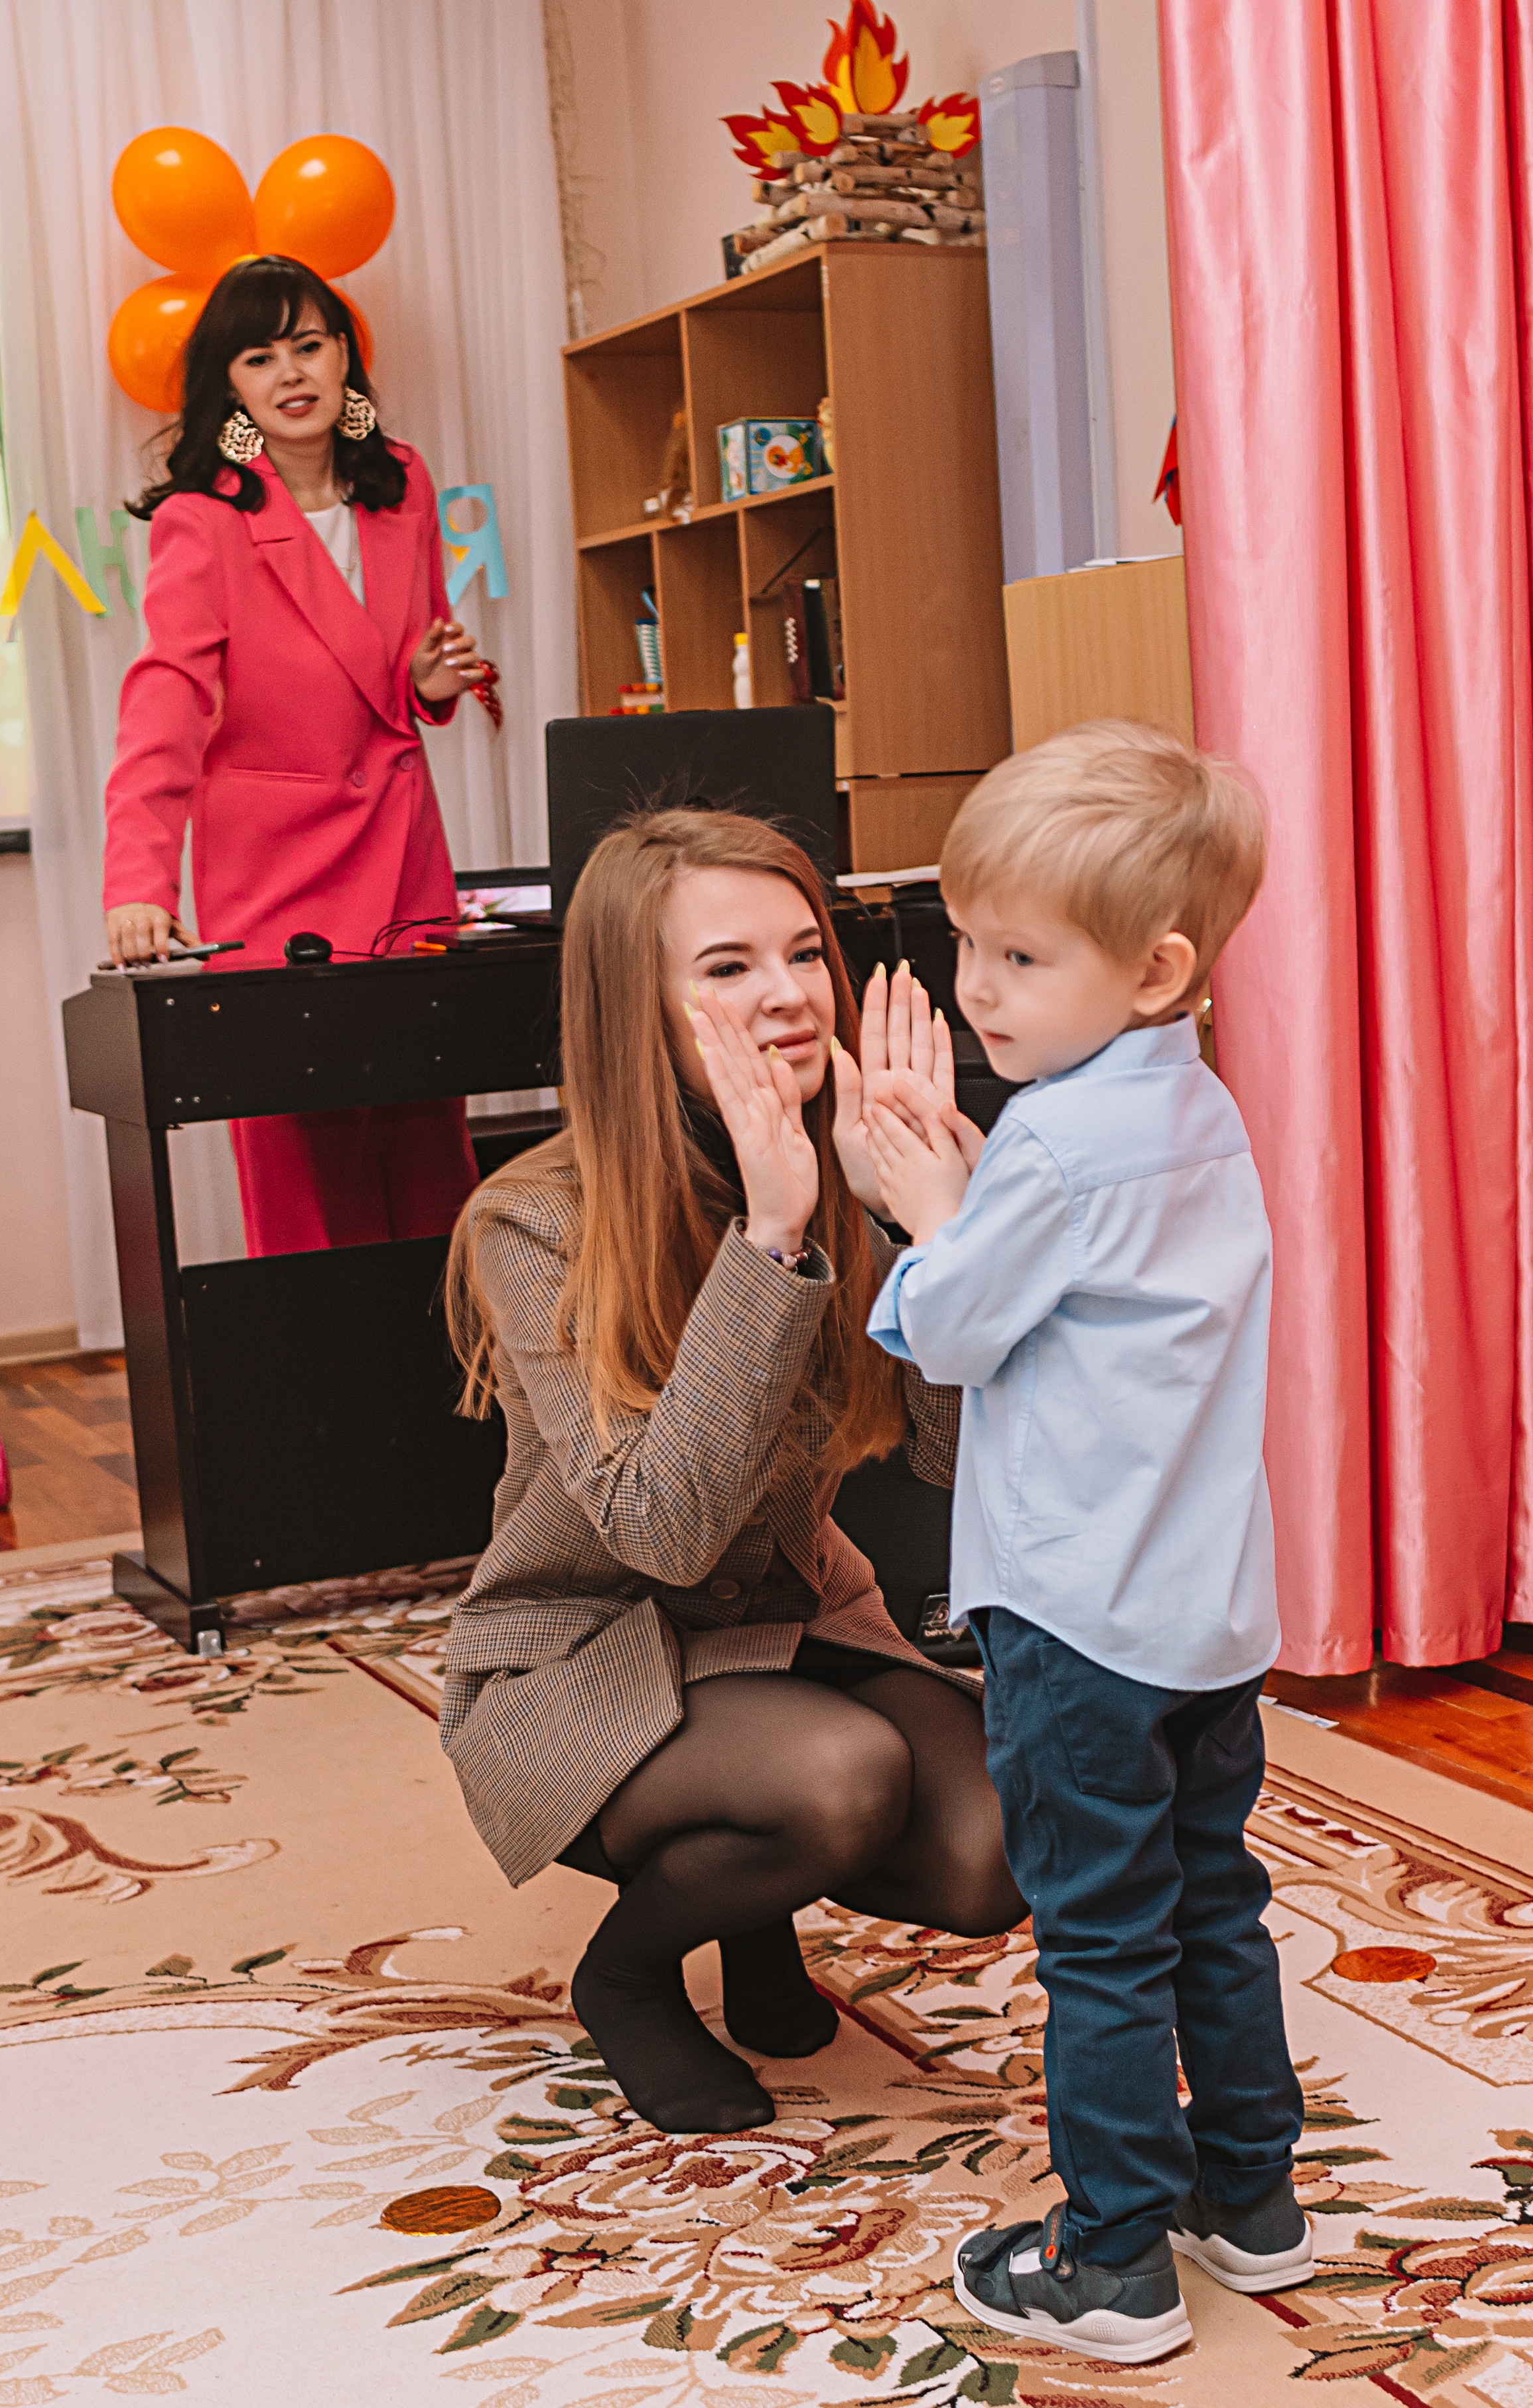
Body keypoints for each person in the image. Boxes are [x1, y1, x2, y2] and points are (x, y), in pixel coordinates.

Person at [440, 807, 1025, 2137]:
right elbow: (666, 1534)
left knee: (1005, 1841)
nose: (786, 997)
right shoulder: (533, 1221)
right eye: (726, 967)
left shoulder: (851, 1153)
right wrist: (769, 1239)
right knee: (839, 1779)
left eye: (803, 953)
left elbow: (946, 1457)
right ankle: (630, 1976)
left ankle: (755, 1905)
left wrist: (929, 1228)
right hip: (589, 1654)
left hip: (795, 1620)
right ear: (634, 1004)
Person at [863, 721, 1311, 2368]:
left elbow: (954, 1331)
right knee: (1213, 1899)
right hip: (1204, 1614)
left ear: (1155, 967)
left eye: (1019, 956)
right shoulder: (1194, 1111)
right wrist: (982, 1197)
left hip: (1073, 1622)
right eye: (967, 944)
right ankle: (1252, 2201)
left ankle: (1112, 2258)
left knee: (1100, 1942)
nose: (977, 989)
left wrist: (921, 1210)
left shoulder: (1051, 1143)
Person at [102, 254, 483, 1255]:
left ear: (345, 354)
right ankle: (326, 1404)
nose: (291, 372)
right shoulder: (205, 519)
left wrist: (430, 687)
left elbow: (398, 669)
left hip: (402, 863)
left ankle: (459, 1397)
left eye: (309, 344)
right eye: (259, 356)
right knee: (303, 1185)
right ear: (228, 387)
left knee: (430, 1157)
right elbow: (167, 702)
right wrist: (138, 881)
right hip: (277, 886)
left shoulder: (402, 489)